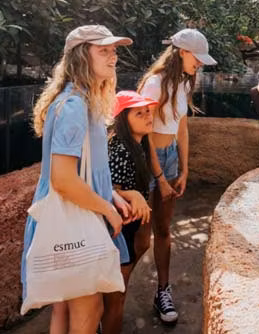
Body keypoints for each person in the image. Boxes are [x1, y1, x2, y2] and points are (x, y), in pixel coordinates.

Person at [21, 25, 134, 334]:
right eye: (103, 51)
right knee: (89, 310)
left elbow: (88, 170)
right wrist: (108, 209)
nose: (113, 58)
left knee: (64, 311)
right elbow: (63, 179)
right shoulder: (74, 107)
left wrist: (111, 194)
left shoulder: (80, 100)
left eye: (113, 51)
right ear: (82, 57)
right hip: (76, 218)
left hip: (70, 218)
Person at [137, 28, 217, 324]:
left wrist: (184, 170)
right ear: (182, 52)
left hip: (169, 160)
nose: (200, 64)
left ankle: (163, 292)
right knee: (141, 238)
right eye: (197, 58)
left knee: (164, 229)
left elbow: (181, 129)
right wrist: (158, 176)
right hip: (147, 162)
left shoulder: (183, 84)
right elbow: (142, 133)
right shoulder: (154, 84)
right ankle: (111, 294)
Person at [101, 90, 157, 334]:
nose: (147, 116)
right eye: (139, 112)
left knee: (118, 293)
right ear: (123, 118)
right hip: (117, 231)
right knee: (116, 301)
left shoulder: (138, 143)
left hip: (130, 227)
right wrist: (132, 196)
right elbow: (110, 191)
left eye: (147, 111)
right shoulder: (120, 148)